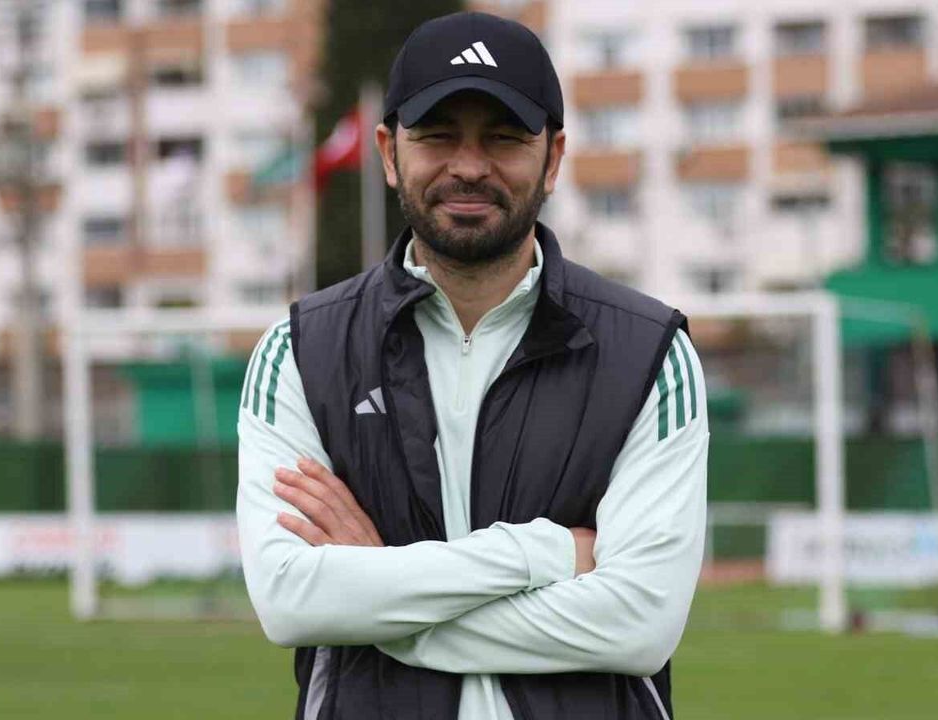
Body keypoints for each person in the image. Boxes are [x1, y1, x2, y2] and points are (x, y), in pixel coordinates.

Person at [237, 11, 708, 720]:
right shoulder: (301, 351)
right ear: (389, 152)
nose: (468, 166)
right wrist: (544, 554)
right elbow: (291, 601)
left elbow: (638, 622)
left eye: (504, 138)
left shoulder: (649, 353)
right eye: (437, 135)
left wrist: (376, 592)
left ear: (553, 158)